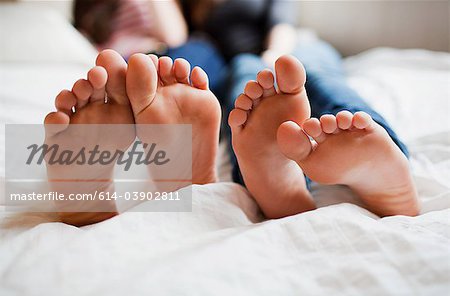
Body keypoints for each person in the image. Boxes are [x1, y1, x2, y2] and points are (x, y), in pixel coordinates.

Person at [45, 50, 419, 226]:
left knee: (291, 78)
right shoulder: (196, 31)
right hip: (212, 57)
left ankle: (271, 173)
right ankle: (282, 178)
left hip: (280, 47)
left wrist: (274, 48)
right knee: (251, 92)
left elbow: (282, 29)